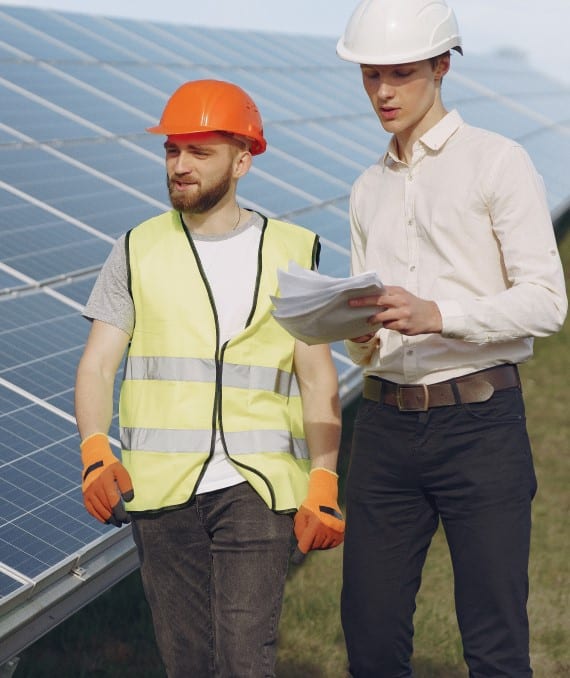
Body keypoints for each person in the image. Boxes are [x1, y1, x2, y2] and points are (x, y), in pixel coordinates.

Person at [74, 78, 345, 678]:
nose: (179, 165)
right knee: (188, 665)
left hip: (259, 488)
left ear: (243, 160)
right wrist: (96, 448)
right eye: (173, 150)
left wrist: (324, 479)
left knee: (246, 663)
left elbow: (317, 375)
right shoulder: (136, 249)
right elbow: (97, 363)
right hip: (162, 492)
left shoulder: (294, 251)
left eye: (200, 152)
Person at [335, 1, 568, 676]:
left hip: (481, 426)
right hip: (382, 429)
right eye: (370, 74)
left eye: (400, 73)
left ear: (442, 66)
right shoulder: (365, 189)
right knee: (372, 640)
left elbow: (548, 301)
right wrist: (355, 332)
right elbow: (366, 325)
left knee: (494, 646)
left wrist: (440, 314)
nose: (382, 91)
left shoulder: (498, 163)